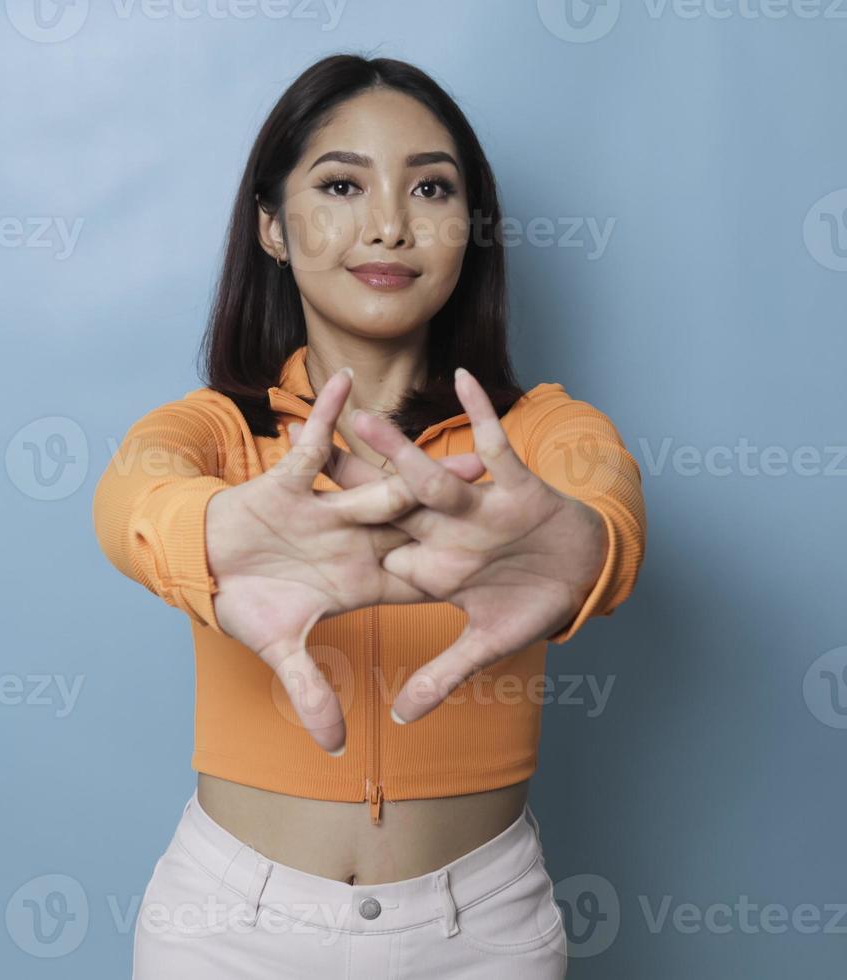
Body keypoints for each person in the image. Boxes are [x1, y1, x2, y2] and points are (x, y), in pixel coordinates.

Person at [93, 52, 647, 979]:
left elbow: (606, 495)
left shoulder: (535, 432)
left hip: (484, 933)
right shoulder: (218, 430)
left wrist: (585, 546)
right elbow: (133, 490)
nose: (388, 224)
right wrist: (207, 534)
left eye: (430, 188)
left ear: (470, 230)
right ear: (272, 226)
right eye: (342, 183)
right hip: (228, 931)